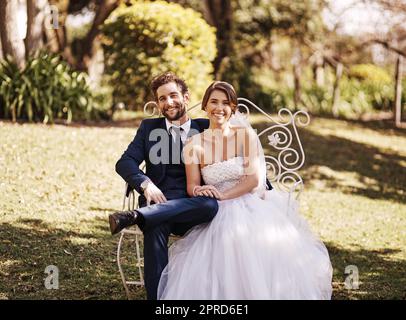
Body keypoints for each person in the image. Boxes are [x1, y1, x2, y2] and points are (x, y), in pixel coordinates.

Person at [157, 81, 333, 299]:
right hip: (213, 208)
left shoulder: (244, 136)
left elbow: (253, 179)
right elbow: (192, 185)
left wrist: (225, 196)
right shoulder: (194, 144)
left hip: (248, 203)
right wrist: (202, 191)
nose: (219, 108)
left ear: (233, 108)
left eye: (225, 103)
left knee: (243, 237)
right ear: (205, 106)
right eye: (213, 102)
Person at [108, 72, 219, 300]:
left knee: (210, 206)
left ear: (186, 98)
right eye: (162, 98)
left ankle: (138, 215)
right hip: (157, 202)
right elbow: (125, 162)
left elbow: (240, 155)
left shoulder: (207, 127)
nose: (168, 102)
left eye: (173, 95)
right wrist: (146, 184)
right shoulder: (149, 128)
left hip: (195, 207)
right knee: (156, 223)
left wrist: (263, 186)